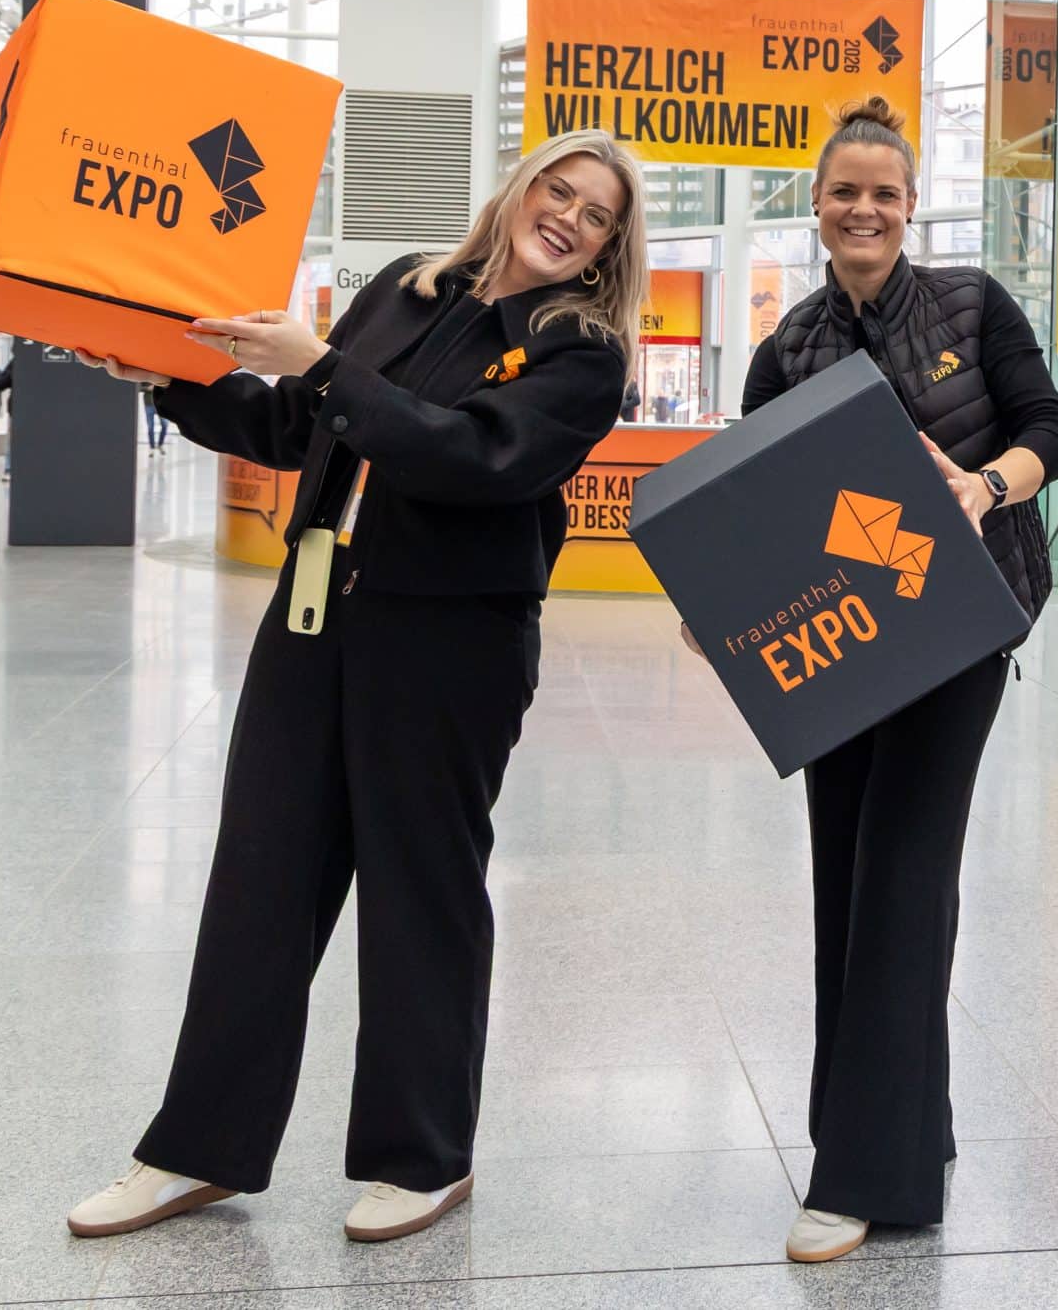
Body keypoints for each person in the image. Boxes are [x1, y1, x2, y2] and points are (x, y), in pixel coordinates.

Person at [62, 129, 643, 1247]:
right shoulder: (407, 288)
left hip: (451, 643)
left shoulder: (583, 355)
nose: (568, 217)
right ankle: (196, 1150)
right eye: (558, 189)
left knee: (422, 890)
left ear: (610, 247)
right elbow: (294, 425)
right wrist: (168, 378)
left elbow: (474, 456)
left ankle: (422, 1158)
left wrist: (321, 365)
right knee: (261, 877)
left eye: (597, 215)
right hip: (315, 611)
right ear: (518, 187)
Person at [735, 96, 1058, 1264]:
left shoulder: (973, 305)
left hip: (957, 631)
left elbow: (1046, 425)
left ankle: (866, 1176)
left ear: (911, 205)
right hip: (841, 643)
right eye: (845, 191)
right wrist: (720, 604)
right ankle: (902, 1120)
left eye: (884, 192)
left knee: (903, 874)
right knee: (851, 877)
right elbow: (756, 501)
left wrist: (985, 486)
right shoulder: (790, 346)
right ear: (817, 205)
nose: (864, 209)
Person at [141, 382, 169, 454]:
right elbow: (139, 388)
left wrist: (158, 387)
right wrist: (148, 388)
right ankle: (152, 447)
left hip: (160, 404)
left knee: (165, 425)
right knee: (150, 427)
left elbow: (168, 386)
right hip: (149, 405)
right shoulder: (145, 378)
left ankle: (160, 445)